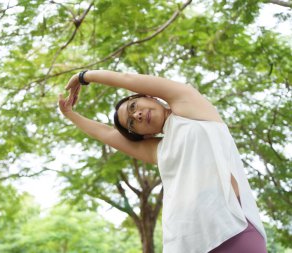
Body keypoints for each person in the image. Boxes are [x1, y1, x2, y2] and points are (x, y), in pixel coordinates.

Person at [58, 70, 267, 253]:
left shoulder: (190, 108)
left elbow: (127, 78)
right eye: (131, 123)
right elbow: (106, 134)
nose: (137, 115)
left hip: (234, 230)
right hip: (186, 243)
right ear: (141, 135)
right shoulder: (158, 150)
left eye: (133, 106)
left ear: (150, 97)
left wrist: (84, 76)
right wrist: (70, 114)